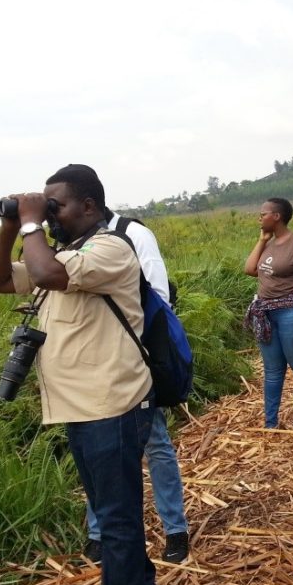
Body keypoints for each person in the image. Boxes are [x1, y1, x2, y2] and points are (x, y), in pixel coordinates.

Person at [0, 164, 157, 585]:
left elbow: (46, 274)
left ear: (89, 206)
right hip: (80, 406)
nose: (48, 213)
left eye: (54, 205)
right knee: (108, 507)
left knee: (116, 516)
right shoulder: (62, 254)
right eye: (45, 206)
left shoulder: (110, 249)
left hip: (112, 403)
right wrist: (10, 226)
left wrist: (31, 222)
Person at [82, 206, 189, 566]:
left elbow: (159, 298)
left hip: (135, 359)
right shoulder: (74, 243)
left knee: (155, 443)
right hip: (92, 364)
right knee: (97, 450)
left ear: (87, 205)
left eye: (60, 206)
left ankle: (175, 530)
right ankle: (98, 534)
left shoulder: (134, 234)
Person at [244, 198, 293, 429]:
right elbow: (250, 269)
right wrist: (261, 240)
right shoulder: (268, 244)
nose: (259, 218)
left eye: (263, 214)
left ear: (276, 216)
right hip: (267, 315)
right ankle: (271, 423)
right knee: (272, 372)